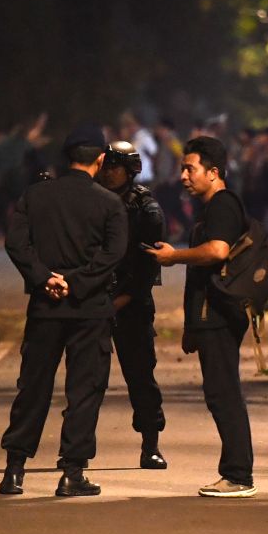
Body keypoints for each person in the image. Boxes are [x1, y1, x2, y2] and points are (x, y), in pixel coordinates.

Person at [0, 122, 127, 498]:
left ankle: (14, 470)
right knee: (84, 391)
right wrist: (79, 283)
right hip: (89, 309)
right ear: (101, 160)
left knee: (33, 387)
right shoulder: (109, 203)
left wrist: (45, 279)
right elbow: (112, 254)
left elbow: (16, 245)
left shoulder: (35, 197)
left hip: (45, 307)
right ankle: (72, 472)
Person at [145, 136, 255, 498]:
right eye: (182, 169)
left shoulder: (222, 205)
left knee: (224, 394)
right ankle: (235, 473)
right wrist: (192, 326)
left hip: (221, 316)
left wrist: (174, 256)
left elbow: (217, 251)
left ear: (214, 172)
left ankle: (238, 475)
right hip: (210, 318)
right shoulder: (213, 207)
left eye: (190, 168)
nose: (183, 176)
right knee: (219, 393)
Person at [96, 141, 167, 470]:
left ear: (130, 170)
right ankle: (76, 445)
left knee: (140, 376)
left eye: (116, 166)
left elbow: (148, 267)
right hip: (94, 300)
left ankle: (150, 443)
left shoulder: (145, 209)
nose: (109, 172)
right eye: (106, 165)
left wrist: (121, 300)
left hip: (131, 301)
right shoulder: (90, 201)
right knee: (87, 379)